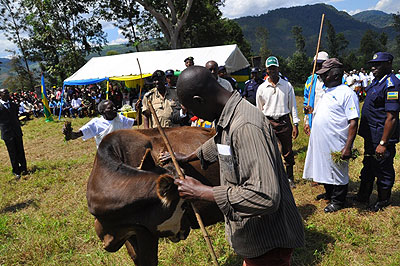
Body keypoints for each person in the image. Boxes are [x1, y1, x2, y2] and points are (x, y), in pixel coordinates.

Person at [161, 66, 304, 265]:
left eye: (193, 111)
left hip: (268, 244)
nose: (195, 116)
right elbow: (221, 142)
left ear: (199, 101)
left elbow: (265, 196)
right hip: (256, 238)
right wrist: (189, 157)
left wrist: (202, 192)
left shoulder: (246, 126)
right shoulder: (230, 115)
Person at [302, 58, 359, 213]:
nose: (322, 77)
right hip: (322, 142)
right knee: (324, 167)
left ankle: (338, 200)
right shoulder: (327, 92)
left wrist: (348, 147)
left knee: (337, 169)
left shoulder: (347, 93)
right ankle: (329, 192)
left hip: (337, 142)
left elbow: (353, 121)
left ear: (335, 75)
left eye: (325, 74)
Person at [356, 52, 400, 212]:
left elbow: (392, 117)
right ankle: (363, 195)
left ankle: (383, 200)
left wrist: (383, 143)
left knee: (383, 168)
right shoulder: (377, 82)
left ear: (388, 63)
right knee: (368, 165)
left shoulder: (391, 84)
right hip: (371, 134)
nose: (373, 67)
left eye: (378, 64)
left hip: (382, 136)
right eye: (372, 64)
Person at [256, 56, 300, 187]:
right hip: (268, 122)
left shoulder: (287, 86)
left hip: (284, 121)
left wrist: (295, 124)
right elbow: (259, 109)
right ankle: (273, 178)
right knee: (269, 151)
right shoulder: (262, 88)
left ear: (278, 68)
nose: (273, 71)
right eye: (270, 69)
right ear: (266, 70)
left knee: (287, 151)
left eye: (274, 68)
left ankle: (290, 178)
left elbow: (293, 106)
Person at [63, 100, 141, 148]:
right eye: (110, 108)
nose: (114, 109)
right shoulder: (96, 123)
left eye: (114, 107)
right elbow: (77, 135)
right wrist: (69, 134)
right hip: (106, 155)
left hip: (122, 152)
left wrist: (138, 110)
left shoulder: (120, 118)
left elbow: (138, 122)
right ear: (103, 112)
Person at [0, 88, 28, 179]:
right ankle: (16, 171)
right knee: (12, 152)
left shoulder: (13, 105)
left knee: (20, 150)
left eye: (8, 92)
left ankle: (24, 168)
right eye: (5, 93)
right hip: (7, 133)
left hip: (16, 131)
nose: (7, 94)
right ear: (0, 95)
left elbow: (16, 116)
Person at [303, 51, 329, 135]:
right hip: (314, 119)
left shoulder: (335, 80)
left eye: (320, 64)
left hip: (329, 121)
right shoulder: (310, 80)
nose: (317, 67)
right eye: (315, 64)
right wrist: (307, 121)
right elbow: (306, 100)